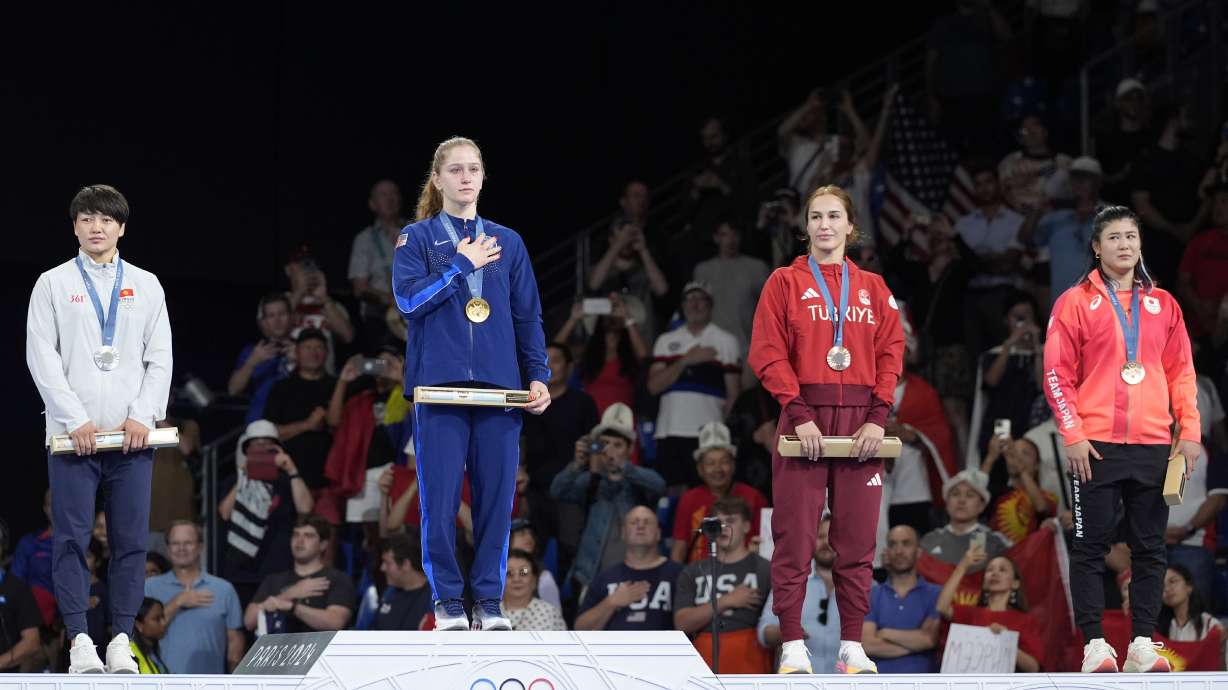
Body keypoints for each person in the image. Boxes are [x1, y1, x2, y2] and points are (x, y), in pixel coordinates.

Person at [392, 136, 552, 632]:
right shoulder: (416, 239)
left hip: (500, 390)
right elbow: (408, 302)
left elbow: (528, 317)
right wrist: (461, 266)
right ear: (437, 180)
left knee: (497, 502)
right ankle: (447, 601)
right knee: (439, 502)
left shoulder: (510, 241)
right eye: (455, 169)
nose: (465, 177)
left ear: (483, 178)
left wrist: (538, 375)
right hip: (438, 390)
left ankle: (488, 600)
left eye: (474, 169)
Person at [747, 184, 905, 674]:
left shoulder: (875, 288)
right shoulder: (784, 282)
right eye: (815, 216)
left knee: (857, 542)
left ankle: (851, 644)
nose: (824, 225)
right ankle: (792, 643)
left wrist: (878, 418)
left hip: (862, 423)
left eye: (833, 216)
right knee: (794, 539)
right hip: (804, 418)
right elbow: (767, 352)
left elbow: (890, 353)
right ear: (806, 226)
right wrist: (799, 413)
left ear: (850, 226)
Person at [1044, 205, 1201, 673]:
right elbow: (1055, 373)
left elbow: (1182, 374)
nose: (1124, 245)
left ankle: (1141, 645)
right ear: (1096, 247)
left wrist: (1188, 430)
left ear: (1140, 244)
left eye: (1131, 236)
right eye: (1113, 237)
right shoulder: (1074, 302)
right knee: (1090, 545)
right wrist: (1071, 432)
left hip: (1153, 443)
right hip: (1094, 444)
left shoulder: (1164, 304)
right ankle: (1095, 645)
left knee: (1151, 548)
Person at [25, 184, 173, 674]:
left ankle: (121, 638)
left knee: (131, 541)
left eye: (106, 220)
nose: (96, 227)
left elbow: (160, 359)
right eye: (87, 218)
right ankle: (81, 640)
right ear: (74, 226)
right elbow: (41, 357)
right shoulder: (52, 283)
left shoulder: (148, 285)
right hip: (74, 439)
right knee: (71, 538)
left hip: (131, 437)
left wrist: (143, 414)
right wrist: (74, 419)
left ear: (121, 228)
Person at [551, 403, 666, 590]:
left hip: (635, 576)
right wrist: (577, 464)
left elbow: (659, 485)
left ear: (630, 449)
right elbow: (558, 490)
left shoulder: (638, 480)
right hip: (591, 576)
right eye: (604, 444)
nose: (609, 451)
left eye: (618, 445)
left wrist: (623, 467)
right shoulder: (592, 481)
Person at [647, 282, 742, 489]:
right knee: (672, 493)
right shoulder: (666, 340)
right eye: (690, 299)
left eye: (701, 299)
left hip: (708, 434)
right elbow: (653, 386)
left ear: (710, 305)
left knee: (708, 492)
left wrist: (717, 425)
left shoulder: (726, 341)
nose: (695, 304)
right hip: (669, 431)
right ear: (682, 305)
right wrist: (686, 360)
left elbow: (734, 394)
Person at [218, 420, 315, 608]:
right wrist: (244, 477)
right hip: (241, 570)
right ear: (246, 450)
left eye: (267, 445)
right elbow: (224, 513)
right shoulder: (234, 481)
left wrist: (292, 469)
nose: (262, 449)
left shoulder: (287, 481)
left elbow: (306, 509)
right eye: (256, 445)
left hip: (278, 568)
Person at [673, 497, 772, 674]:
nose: (724, 527)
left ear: (747, 526)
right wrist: (725, 601)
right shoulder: (693, 571)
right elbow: (682, 623)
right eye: (719, 522)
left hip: (750, 662)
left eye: (731, 520)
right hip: (702, 661)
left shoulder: (765, 569)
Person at [144, 522, 244, 674]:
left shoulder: (224, 589)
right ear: (168, 548)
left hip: (211, 684)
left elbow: (235, 642)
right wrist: (178, 601)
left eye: (188, 543)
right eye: (175, 543)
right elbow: (140, 632)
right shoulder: (149, 587)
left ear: (200, 546)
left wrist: (234, 681)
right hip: (160, 683)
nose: (181, 548)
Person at [670, 422, 768, 563]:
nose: (718, 469)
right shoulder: (688, 499)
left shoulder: (754, 497)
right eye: (710, 463)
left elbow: (766, 544)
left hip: (744, 574)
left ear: (733, 466)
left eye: (724, 462)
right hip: (700, 577)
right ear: (700, 469)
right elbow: (679, 548)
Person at [575, 507, 683, 631]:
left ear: (658, 533)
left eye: (647, 522)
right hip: (614, 650)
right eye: (634, 522)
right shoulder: (605, 577)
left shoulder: (679, 574)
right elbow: (580, 628)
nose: (641, 526)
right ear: (623, 533)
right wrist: (611, 602)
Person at [757, 515, 842, 673]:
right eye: (820, 536)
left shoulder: (864, 585)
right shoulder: (789, 582)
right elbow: (763, 632)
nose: (826, 543)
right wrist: (785, 632)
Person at [243, 516, 355, 635]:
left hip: (321, 650)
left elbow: (335, 622)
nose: (300, 541)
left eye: (308, 536)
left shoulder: (337, 579)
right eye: (296, 535)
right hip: (281, 651)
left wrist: (293, 607)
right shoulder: (273, 580)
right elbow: (249, 622)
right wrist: (288, 595)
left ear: (323, 545)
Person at [936, 550, 1044, 672]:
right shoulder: (970, 614)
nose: (995, 573)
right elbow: (942, 607)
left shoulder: (1026, 621)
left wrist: (1007, 640)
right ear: (984, 583)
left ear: (1015, 583)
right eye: (989, 570)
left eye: (1002, 570)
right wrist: (962, 566)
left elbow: (1033, 668)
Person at [263, 328, 337, 491]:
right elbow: (269, 432)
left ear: (326, 352)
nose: (313, 353)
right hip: (288, 477)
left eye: (318, 347)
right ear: (297, 352)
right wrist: (306, 425)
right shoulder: (281, 388)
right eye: (307, 348)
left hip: (329, 480)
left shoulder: (338, 387)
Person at [862, 526, 942, 674]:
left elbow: (929, 639)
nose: (899, 551)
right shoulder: (872, 594)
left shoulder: (936, 593)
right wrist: (915, 644)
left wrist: (885, 632)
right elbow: (867, 645)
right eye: (893, 544)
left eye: (906, 544)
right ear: (887, 551)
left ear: (919, 552)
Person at [693, 219, 770, 355]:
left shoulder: (756, 268)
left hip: (748, 350)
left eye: (734, 234)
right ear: (716, 238)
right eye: (725, 235)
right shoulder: (703, 271)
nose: (730, 240)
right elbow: (696, 309)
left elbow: (772, 308)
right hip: (712, 349)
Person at [349, 179, 406, 336]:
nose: (390, 198)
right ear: (372, 204)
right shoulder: (364, 239)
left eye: (393, 194)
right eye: (383, 195)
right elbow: (359, 288)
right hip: (381, 318)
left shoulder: (417, 231)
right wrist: (390, 300)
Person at [920, 469, 1012, 567]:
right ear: (946, 504)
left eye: (970, 495)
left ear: (981, 506)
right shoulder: (930, 540)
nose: (961, 500)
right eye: (955, 494)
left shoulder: (994, 542)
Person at [227, 293, 294, 423]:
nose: (277, 320)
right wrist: (252, 362)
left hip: (295, 422)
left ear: (292, 317)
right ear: (263, 322)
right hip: (260, 423)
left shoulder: (304, 348)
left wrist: (300, 361)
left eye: (282, 314)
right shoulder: (253, 351)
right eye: (271, 316)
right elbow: (233, 390)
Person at [1158, 564, 1226, 665]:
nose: (1167, 589)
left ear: (1189, 586)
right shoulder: (1160, 628)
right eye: (1162, 585)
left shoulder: (1210, 624)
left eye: (1172, 581)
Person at [374, 532, 432, 631]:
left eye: (387, 563)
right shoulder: (389, 593)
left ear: (405, 564)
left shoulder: (433, 599)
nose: (382, 568)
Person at [501, 550, 566, 631]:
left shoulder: (549, 613)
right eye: (509, 573)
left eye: (523, 572)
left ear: (534, 580)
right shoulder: (487, 613)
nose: (516, 579)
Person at [129, 598, 169, 674]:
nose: (164, 623)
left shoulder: (153, 654)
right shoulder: (129, 655)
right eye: (157, 619)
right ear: (139, 625)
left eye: (163, 617)